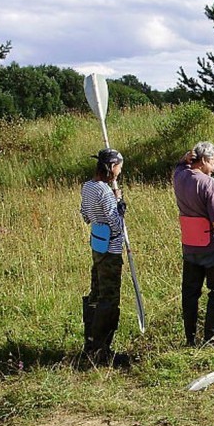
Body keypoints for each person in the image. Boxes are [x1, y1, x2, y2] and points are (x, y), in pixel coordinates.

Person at [173, 142, 214, 348]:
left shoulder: (179, 176)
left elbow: (180, 164)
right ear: (203, 160)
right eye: (213, 163)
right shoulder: (210, 185)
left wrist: (185, 157)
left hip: (189, 245)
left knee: (190, 292)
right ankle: (211, 338)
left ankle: (190, 338)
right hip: (211, 246)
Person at [80, 148, 131, 367]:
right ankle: (102, 351)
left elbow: (85, 215)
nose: (120, 171)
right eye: (119, 167)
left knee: (96, 293)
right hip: (110, 250)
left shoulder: (87, 187)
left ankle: (91, 343)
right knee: (108, 298)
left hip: (97, 246)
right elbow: (117, 226)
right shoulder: (105, 192)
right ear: (111, 167)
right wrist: (119, 205)